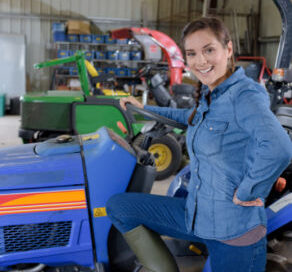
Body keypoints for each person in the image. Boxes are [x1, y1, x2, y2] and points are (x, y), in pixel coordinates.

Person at [106, 17, 292, 272]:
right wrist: (145, 109)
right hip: (197, 215)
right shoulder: (211, 93)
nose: (200, 61)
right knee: (119, 206)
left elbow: (280, 147)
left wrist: (248, 192)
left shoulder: (244, 96)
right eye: (192, 54)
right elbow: (190, 118)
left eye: (209, 50)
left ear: (228, 50)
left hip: (233, 232)